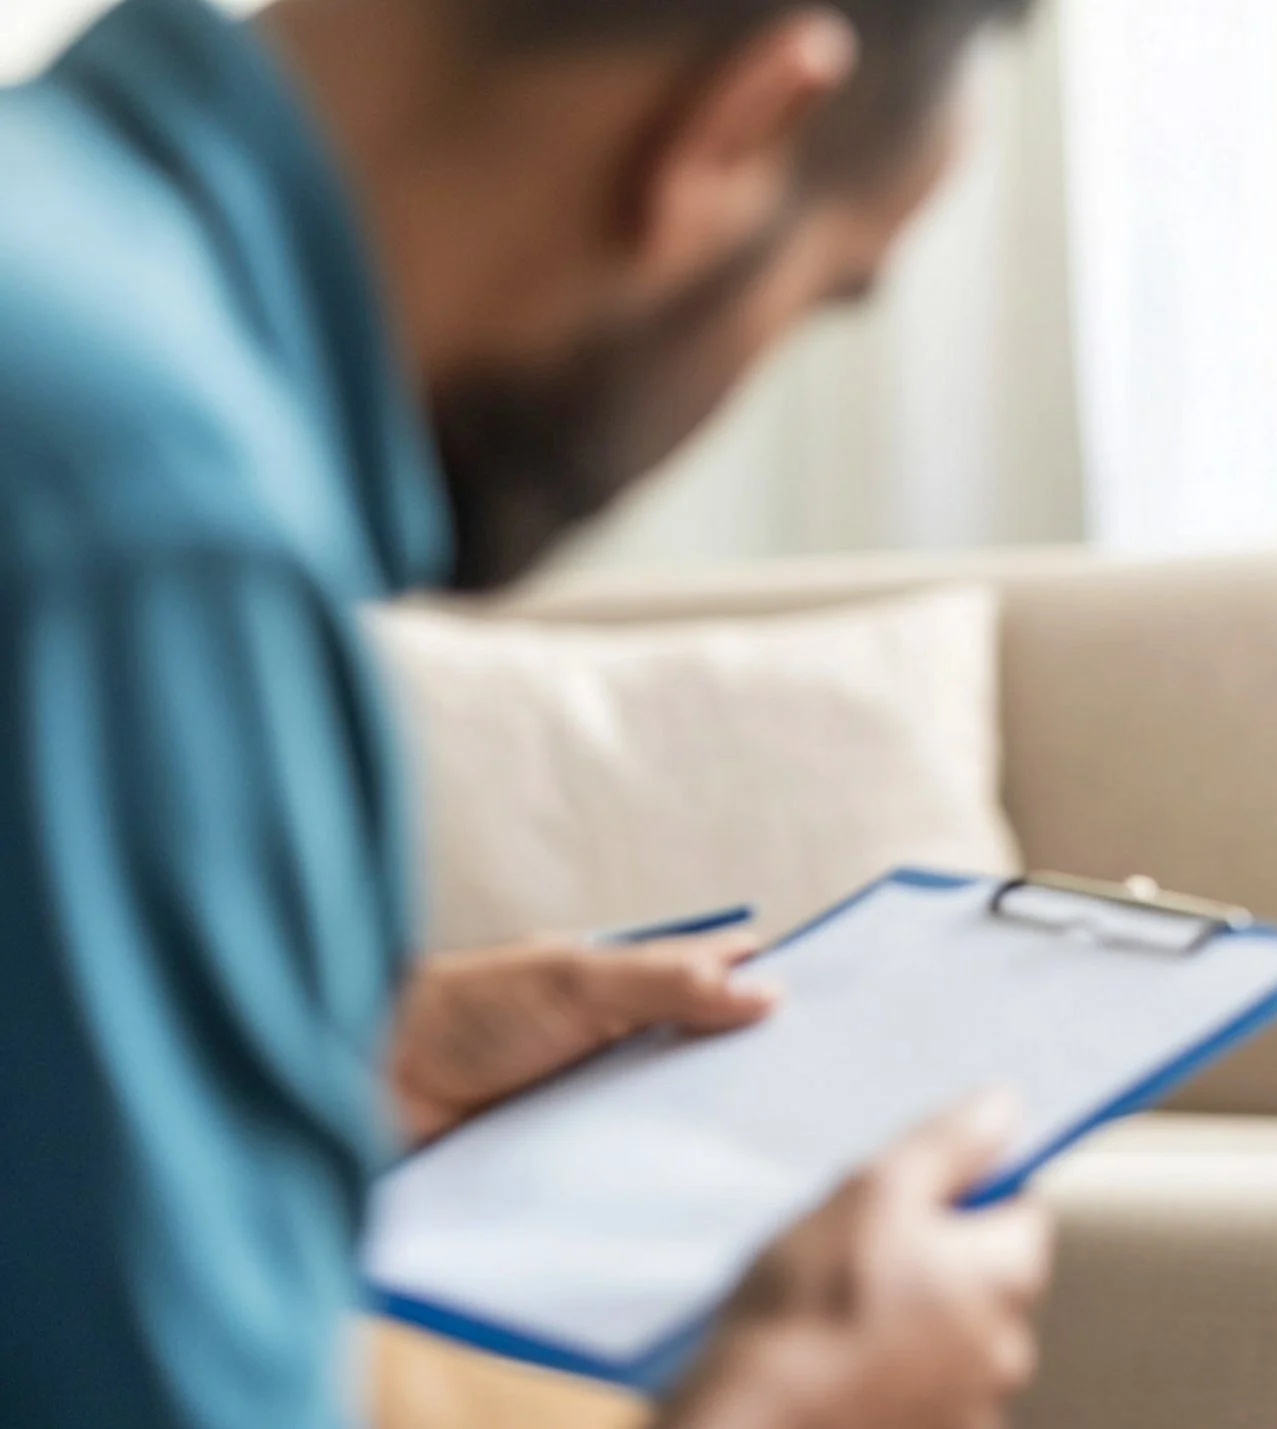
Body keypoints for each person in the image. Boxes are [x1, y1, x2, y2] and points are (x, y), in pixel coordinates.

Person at [0, 0, 1048, 1425]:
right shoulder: (153, 522)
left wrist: (348, 1055)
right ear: (738, 131)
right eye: (823, 291)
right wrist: (793, 1404)